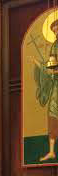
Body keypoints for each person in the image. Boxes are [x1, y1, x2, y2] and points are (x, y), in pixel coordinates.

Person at [34, 20, 58, 162]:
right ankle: (51, 151)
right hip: (56, 85)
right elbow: (52, 64)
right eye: (54, 31)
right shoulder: (54, 45)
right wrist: (44, 67)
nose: (56, 33)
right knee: (52, 115)